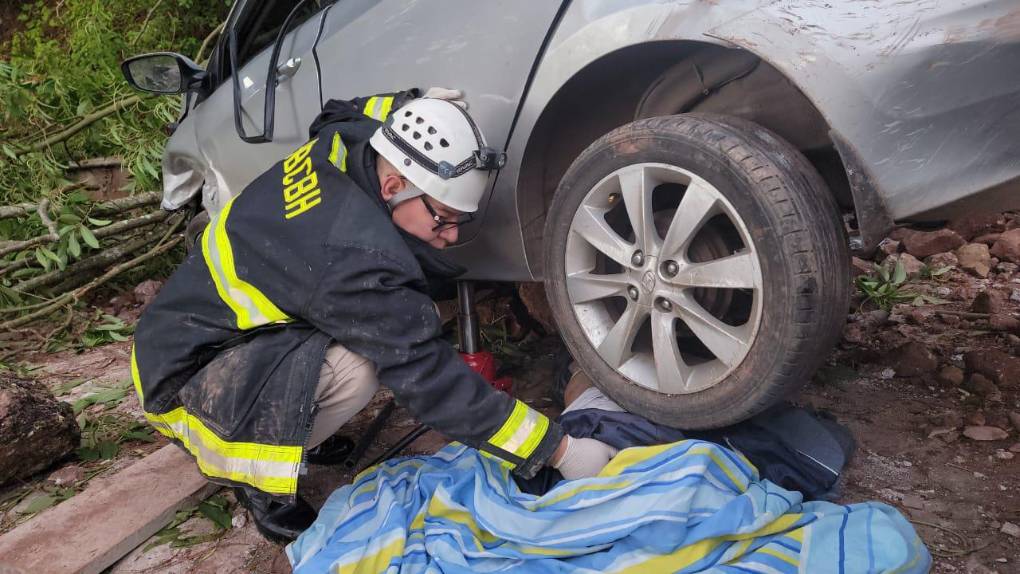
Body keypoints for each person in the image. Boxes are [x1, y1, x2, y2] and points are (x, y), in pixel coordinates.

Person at [130, 87, 618, 543]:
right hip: (188, 383)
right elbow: (432, 383)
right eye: (442, 219)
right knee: (358, 368)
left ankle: (298, 428)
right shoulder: (352, 258)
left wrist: (415, 101)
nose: (450, 236)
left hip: (188, 335)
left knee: (389, 321)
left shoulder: (349, 139)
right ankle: (257, 476)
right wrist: (558, 450)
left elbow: (345, 109)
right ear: (393, 185)